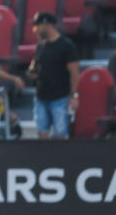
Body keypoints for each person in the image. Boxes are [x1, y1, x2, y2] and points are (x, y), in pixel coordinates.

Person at [28, 11, 80, 139]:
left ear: (47, 25)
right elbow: (35, 65)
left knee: (60, 135)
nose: (35, 30)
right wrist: (32, 72)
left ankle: (59, 159)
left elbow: (74, 72)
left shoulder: (66, 45)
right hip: (41, 96)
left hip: (60, 97)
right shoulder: (41, 46)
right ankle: (44, 159)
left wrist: (73, 95)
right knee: (42, 133)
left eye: (37, 26)